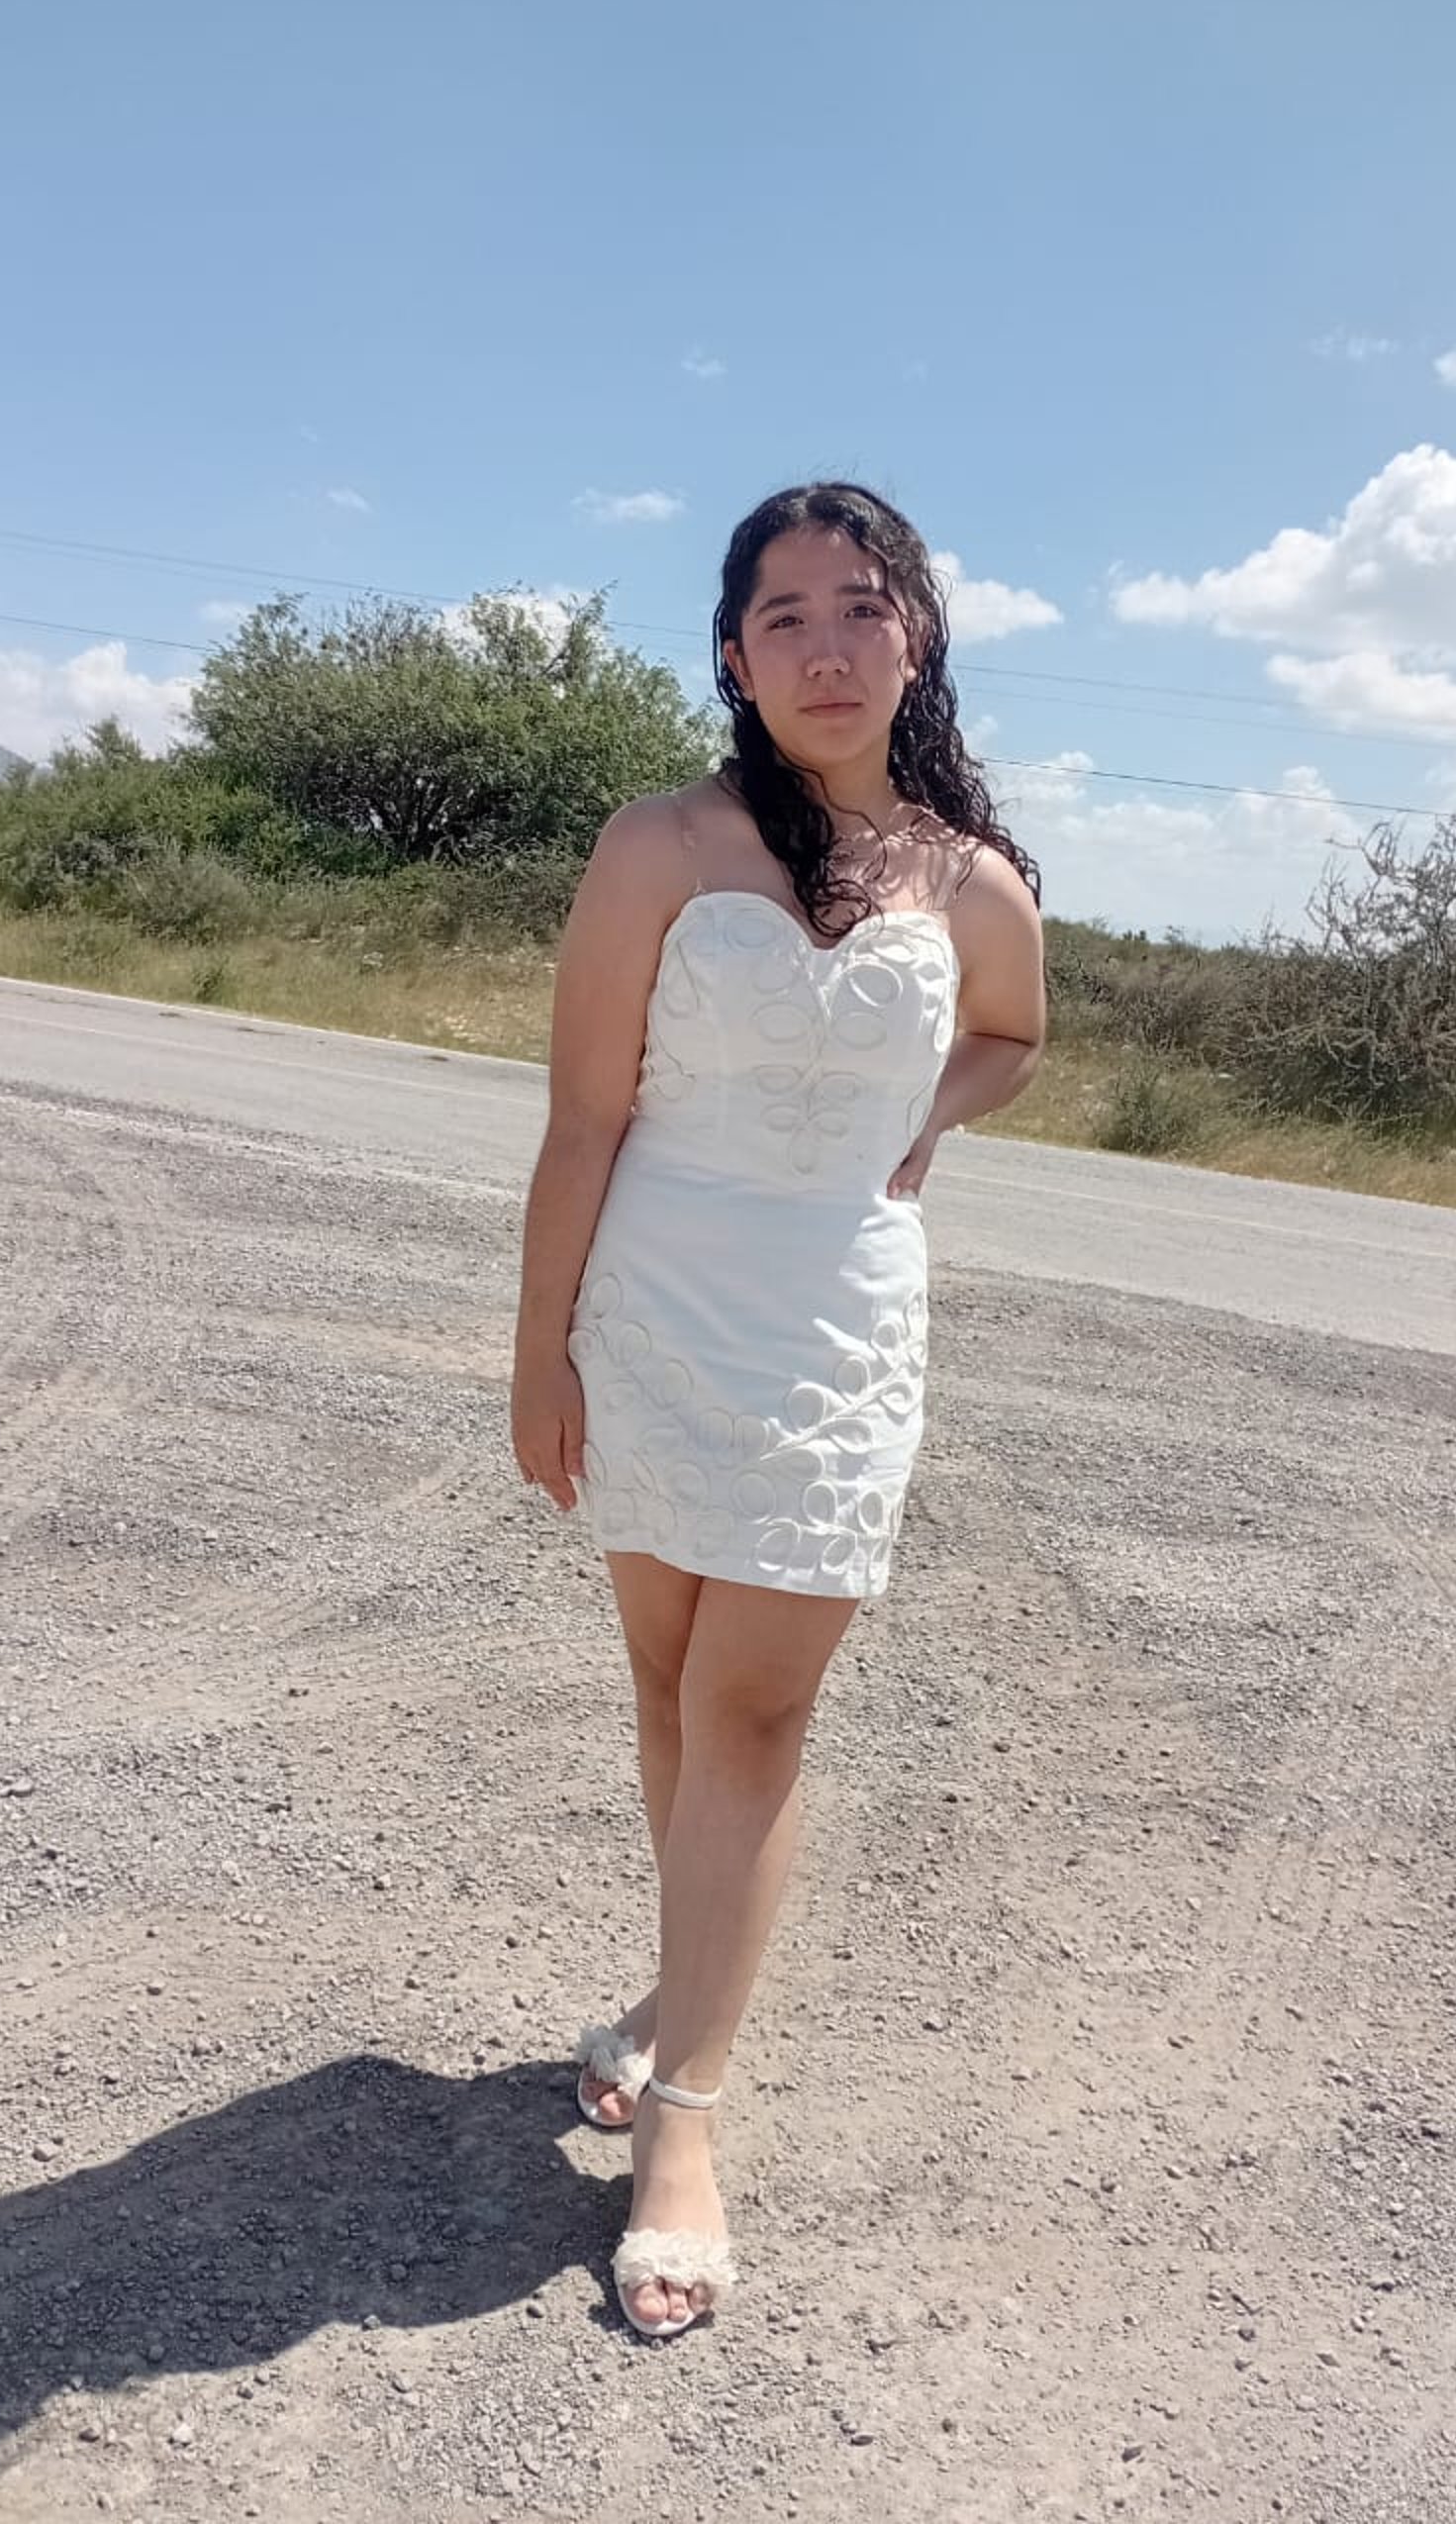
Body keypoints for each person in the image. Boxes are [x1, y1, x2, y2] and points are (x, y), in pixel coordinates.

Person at [510, 480, 1047, 2340]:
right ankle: (681, 1993)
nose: (828, 647)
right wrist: (539, 1351)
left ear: (918, 636)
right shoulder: (659, 844)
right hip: (656, 1310)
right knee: (670, 1686)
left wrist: (923, 1115)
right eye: (786, 615)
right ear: (735, 655)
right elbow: (583, 1117)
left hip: (839, 1324)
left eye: (861, 607)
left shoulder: (973, 883)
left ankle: (684, 2121)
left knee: (756, 1705)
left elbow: (1012, 1037)